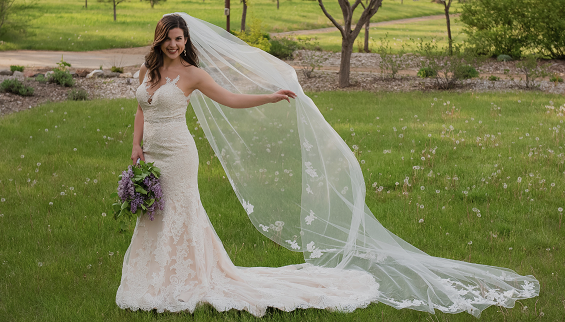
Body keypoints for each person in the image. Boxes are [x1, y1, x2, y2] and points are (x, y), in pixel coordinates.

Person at [116, 13, 539, 317]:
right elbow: (140, 110)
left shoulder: (191, 74)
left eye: (179, 39)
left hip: (180, 154)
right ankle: (156, 275)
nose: (175, 45)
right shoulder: (148, 70)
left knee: (181, 214)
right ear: (159, 40)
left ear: (186, 41)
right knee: (153, 214)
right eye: (169, 39)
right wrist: (135, 147)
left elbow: (230, 99)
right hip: (152, 155)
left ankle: (188, 277)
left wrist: (269, 96)